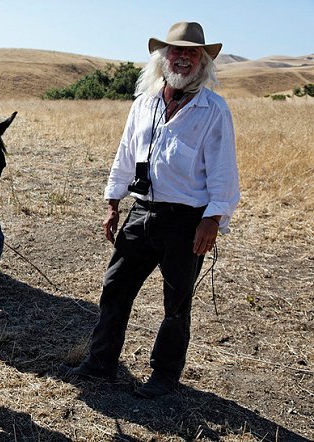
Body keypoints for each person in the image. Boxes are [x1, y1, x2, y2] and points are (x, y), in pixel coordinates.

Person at [60, 21, 240, 399]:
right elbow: (125, 155)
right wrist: (112, 202)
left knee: (176, 303)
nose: (184, 58)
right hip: (141, 212)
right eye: (177, 51)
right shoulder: (144, 103)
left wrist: (212, 219)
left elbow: (224, 171)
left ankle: (164, 375)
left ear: (204, 61)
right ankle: (101, 360)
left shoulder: (213, 109)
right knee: (115, 287)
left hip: (187, 220)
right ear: (163, 58)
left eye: (193, 52)